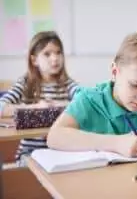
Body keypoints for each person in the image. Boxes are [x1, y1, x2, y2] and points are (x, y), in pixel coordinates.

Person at [0, 31, 78, 164]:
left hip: (59, 151)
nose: (55, 58)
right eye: (47, 54)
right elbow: (1, 107)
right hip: (30, 152)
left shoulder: (67, 84)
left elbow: (85, 101)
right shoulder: (25, 83)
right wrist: (35, 107)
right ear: (34, 60)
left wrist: (58, 105)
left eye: (58, 52)